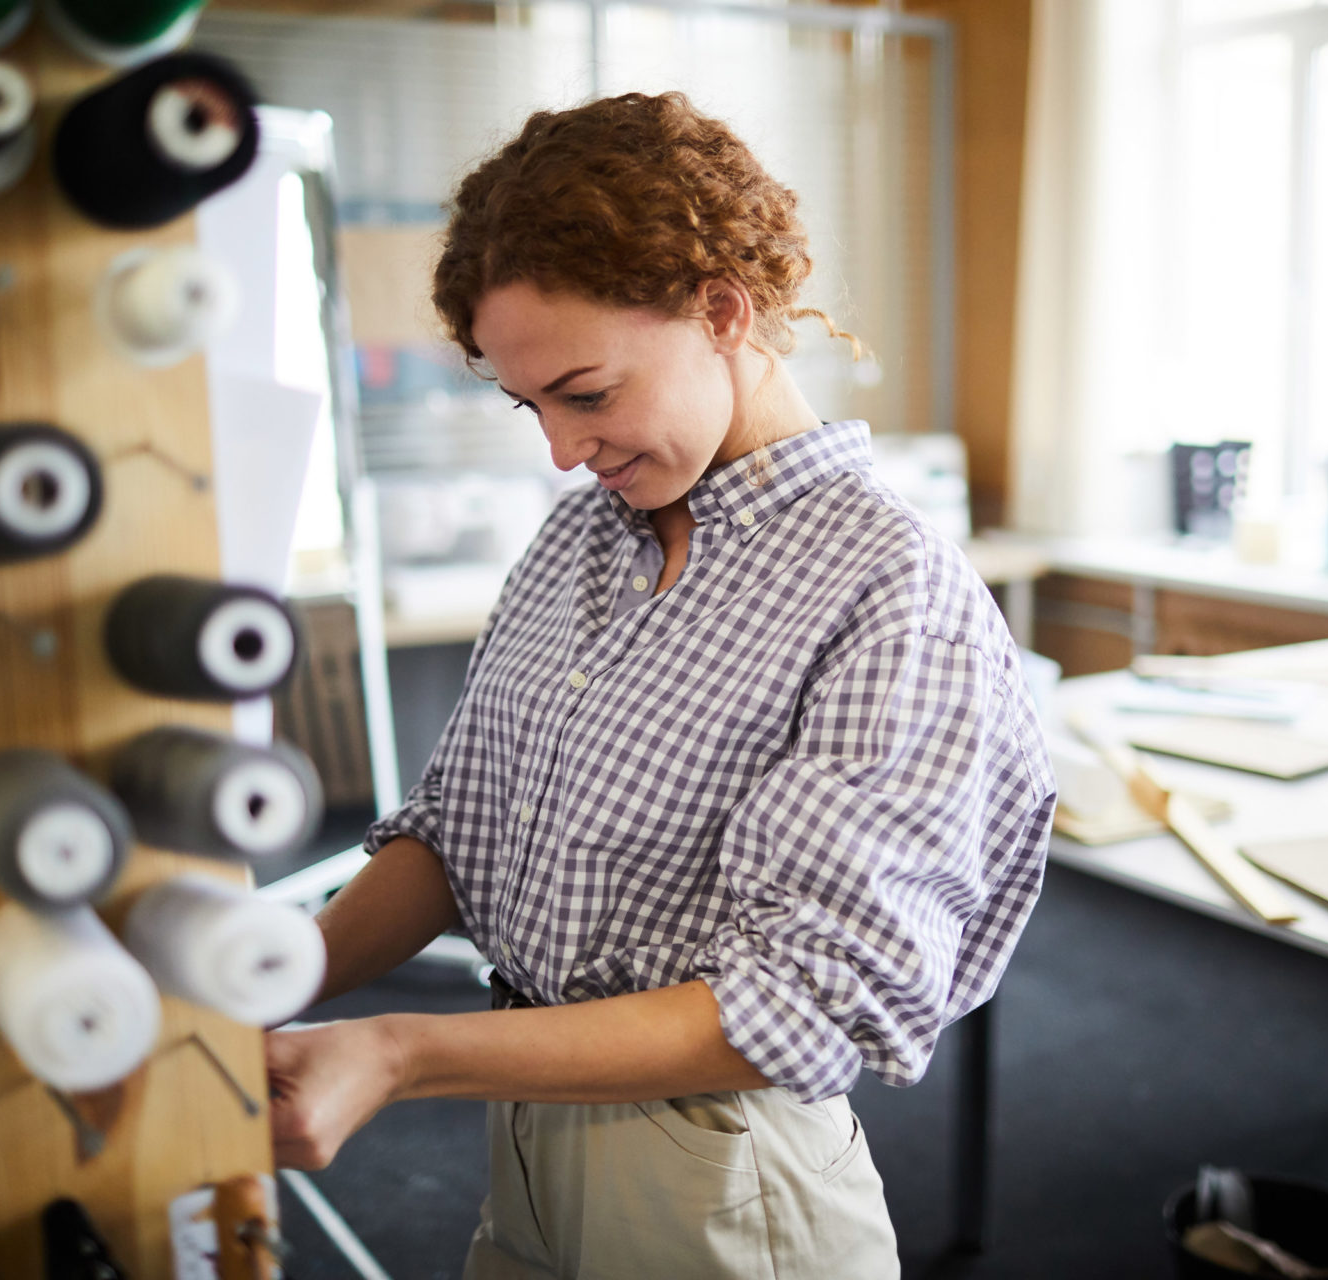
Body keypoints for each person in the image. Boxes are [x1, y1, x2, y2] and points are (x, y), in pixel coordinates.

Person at [265, 91, 1055, 1280]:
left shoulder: (886, 589)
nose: (563, 449)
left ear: (724, 310)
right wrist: (267, 975)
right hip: (528, 1121)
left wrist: (399, 1054)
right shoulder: (581, 542)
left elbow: (801, 999)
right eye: (530, 406)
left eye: (587, 392)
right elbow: (459, 833)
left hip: (725, 1170)